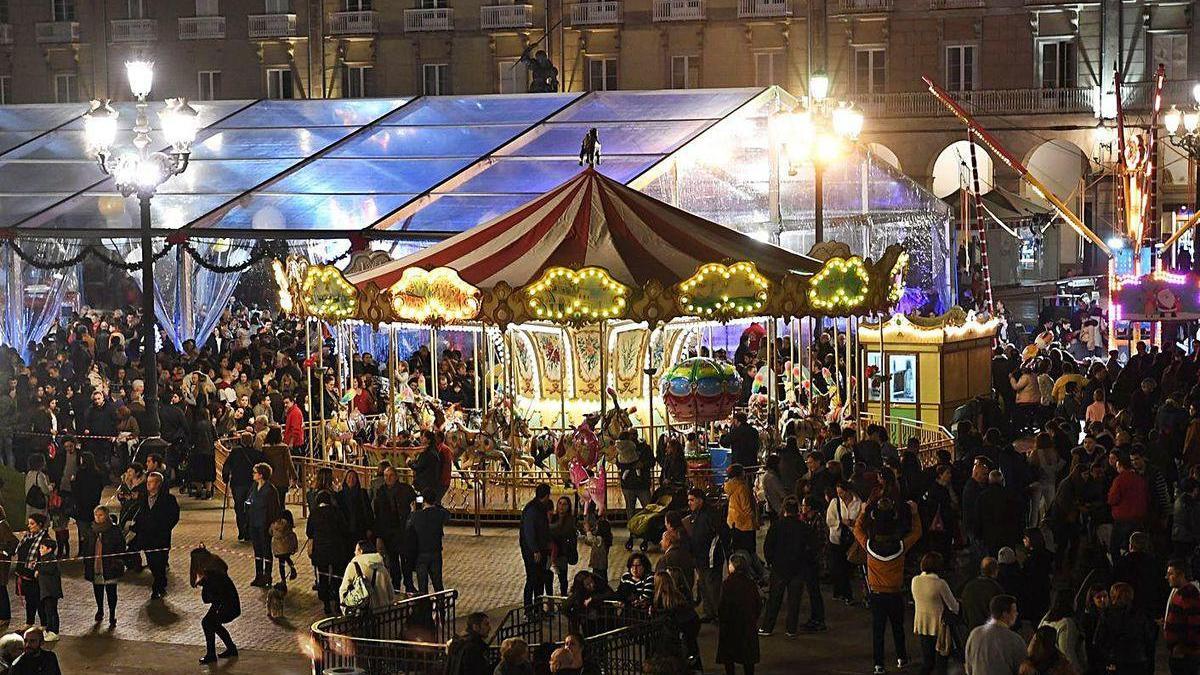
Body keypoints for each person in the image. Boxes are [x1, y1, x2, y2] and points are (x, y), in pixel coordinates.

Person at [855, 496, 923, 675]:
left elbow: (857, 530)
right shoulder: (901, 546)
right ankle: (902, 657)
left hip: (876, 594)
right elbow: (917, 533)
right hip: (895, 593)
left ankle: (879, 664)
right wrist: (915, 514)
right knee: (898, 627)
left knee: (878, 631)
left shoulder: (869, 545)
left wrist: (862, 513)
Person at [760, 496, 823, 637]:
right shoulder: (804, 527)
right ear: (797, 511)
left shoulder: (776, 526)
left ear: (784, 511)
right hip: (798, 568)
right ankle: (791, 629)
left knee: (775, 599)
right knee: (794, 601)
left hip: (779, 567)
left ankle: (767, 627)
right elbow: (814, 546)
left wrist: (771, 562)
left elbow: (768, 546)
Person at [912, 552, 959, 675]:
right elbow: (954, 607)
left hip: (922, 625)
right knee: (941, 664)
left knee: (928, 662)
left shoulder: (915, 580)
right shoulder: (940, 584)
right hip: (939, 627)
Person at [373, 466, 417, 594]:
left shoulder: (405, 489)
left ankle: (408, 583)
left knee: (406, 560)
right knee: (393, 561)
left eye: (391, 475)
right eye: (386, 476)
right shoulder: (381, 492)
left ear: (396, 476)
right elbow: (378, 513)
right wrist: (379, 535)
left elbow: (415, 500)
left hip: (403, 530)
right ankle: (396, 584)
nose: (388, 478)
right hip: (389, 532)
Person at [136, 470, 180, 598]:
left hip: (161, 538)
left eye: (151, 482)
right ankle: (159, 581)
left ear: (159, 484)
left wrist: (164, 528)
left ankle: (158, 586)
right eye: (147, 482)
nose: (148, 485)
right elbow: (140, 515)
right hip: (147, 538)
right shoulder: (144, 498)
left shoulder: (169, 499)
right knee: (152, 563)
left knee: (160, 562)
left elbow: (174, 517)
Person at [192, 547, 240, 665]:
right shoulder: (214, 569)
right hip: (226, 603)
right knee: (211, 624)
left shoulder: (211, 575)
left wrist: (203, 585)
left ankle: (211, 654)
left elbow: (208, 598)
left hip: (226, 605)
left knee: (209, 623)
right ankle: (230, 648)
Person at [717, 552, 761, 675]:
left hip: (730, 625)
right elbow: (758, 604)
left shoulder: (727, 584)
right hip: (747, 624)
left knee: (729, 657)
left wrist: (723, 620)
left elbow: (722, 606)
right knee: (747, 658)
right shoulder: (750, 583)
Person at [307, 487, 348, 616]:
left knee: (323, 576)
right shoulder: (336, 512)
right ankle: (336, 600)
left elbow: (309, 532)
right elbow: (344, 528)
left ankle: (326, 604)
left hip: (321, 550)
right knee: (337, 576)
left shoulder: (314, 513)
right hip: (336, 548)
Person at [684, 488, 723, 622]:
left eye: (692, 500)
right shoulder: (696, 514)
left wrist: (711, 555)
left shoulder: (710, 514)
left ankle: (718, 614)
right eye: (688, 500)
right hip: (699, 557)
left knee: (713, 586)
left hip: (710, 558)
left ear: (700, 500)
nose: (689, 503)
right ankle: (709, 612)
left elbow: (717, 536)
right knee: (703, 586)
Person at [965, 595, 1028, 675]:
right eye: (1014, 611)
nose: (1016, 614)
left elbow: (968, 668)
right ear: (1005, 614)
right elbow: (1023, 670)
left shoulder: (974, 634)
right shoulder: (1015, 640)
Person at [84, 505, 125, 628]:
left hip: (110, 566)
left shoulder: (114, 530)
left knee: (111, 592)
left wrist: (117, 561)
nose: (98, 517)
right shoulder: (91, 530)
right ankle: (100, 609)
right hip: (96, 565)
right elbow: (86, 547)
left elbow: (121, 546)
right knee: (98, 589)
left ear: (106, 515)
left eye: (100, 515)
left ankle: (112, 614)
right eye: (96, 515)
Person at [826, 480, 864, 604]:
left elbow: (861, 520)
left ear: (848, 491)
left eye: (842, 492)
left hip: (851, 539)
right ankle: (845, 594)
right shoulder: (835, 502)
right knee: (838, 567)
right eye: (838, 493)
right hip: (836, 539)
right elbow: (830, 520)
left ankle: (844, 592)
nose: (840, 495)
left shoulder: (857, 503)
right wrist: (841, 522)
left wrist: (854, 523)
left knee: (847, 568)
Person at [221, 433, 264, 541]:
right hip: (251, 484)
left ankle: (241, 531)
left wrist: (225, 477)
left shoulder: (235, 452)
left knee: (239, 507)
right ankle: (249, 531)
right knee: (250, 507)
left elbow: (227, 465)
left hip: (238, 483)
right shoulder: (256, 454)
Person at [246, 462, 282, 587]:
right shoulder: (254, 487)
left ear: (261, 475)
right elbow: (249, 499)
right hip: (254, 522)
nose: (253, 474)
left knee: (266, 549)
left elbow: (275, 509)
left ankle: (267, 575)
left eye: (255, 472)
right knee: (257, 550)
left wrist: (272, 523)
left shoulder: (271, 490)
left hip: (264, 524)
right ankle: (258, 575)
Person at [409, 490, 450, 594]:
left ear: (423, 500)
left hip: (421, 554)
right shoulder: (440, 514)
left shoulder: (416, 516)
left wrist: (413, 511)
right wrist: (436, 505)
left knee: (422, 587)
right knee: (438, 584)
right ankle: (441, 608)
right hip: (435, 552)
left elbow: (408, 527)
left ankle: (425, 609)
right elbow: (447, 514)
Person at [339, 538, 396, 613]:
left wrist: (345, 609)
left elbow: (343, 590)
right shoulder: (382, 567)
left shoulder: (354, 566)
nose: (354, 552)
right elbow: (391, 595)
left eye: (356, 550)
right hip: (382, 613)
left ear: (361, 551)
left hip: (363, 613)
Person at [519, 483, 552, 609]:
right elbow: (529, 532)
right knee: (532, 579)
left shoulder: (539, 508)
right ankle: (529, 609)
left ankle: (538, 608)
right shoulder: (533, 510)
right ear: (546, 495)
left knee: (539, 579)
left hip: (539, 549)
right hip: (533, 551)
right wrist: (535, 550)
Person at [1164, 559, 1200, 675]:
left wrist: (1184, 647)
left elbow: (1194, 624)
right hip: (1179, 652)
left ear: (1181, 575)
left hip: (1184, 655)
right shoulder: (1179, 592)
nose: (1167, 577)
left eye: (1171, 574)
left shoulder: (1188, 595)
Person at [14, 515, 49, 631]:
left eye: (32, 523)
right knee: (29, 600)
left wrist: (38, 569)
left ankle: (44, 624)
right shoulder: (27, 537)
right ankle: (29, 622)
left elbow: (46, 558)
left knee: (39, 601)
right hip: (24, 574)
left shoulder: (45, 539)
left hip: (36, 576)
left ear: (40, 525)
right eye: (29, 523)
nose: (29, 526)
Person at [1040, 590, 1086, 673]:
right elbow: (1067, 652)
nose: (1076, 603)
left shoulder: (1046, 619)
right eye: (1075, 600)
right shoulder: (1066, 623)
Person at [961, 557, 1004, 631]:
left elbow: (964, 609)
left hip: (972, 628)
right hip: (990, 630)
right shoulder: (995, 588)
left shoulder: (969, 586)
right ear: (995, 571)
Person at [548, 496, 578, 596]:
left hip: (562, 553)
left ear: (568, 506)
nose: (561, 506)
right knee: (548, 579)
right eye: (560, 503)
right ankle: (550, 600)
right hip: (551, 552)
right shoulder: (553, 517)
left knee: (563, 579)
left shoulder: (570, 519)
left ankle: (564, 598)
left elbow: (563, 533)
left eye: (564, 504)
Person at [33, 540, 60, 642]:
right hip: (45, 591)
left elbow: (48, 569)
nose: (40, 550)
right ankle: (49, 630)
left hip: (51, 591)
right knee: (48, 611)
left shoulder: (51, 560)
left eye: (42, 548)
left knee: (52, 612)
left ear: (49, 549)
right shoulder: (43, 559)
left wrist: (38, 571)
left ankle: (54, 632)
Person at [270, 508, 299, 588]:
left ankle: (283, 580)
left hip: (278, 549)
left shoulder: (273, 525)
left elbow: (270, 532)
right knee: (287, 558)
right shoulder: (287, 525)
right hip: (286, 547)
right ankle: (292, 569)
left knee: (281, 564)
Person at [580, 510, 612, 584]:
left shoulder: (600, 540)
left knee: (599, 579)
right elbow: (589, 542)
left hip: (599, 564)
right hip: (599, 564)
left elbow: (592, 540)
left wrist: (588, 530)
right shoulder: (604, 540)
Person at [0, 506, 19, 627]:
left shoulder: (2, 526)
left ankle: (5, 616)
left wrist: (4, 552)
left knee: (1, 590)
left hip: (1, 565)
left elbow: (14, 543)